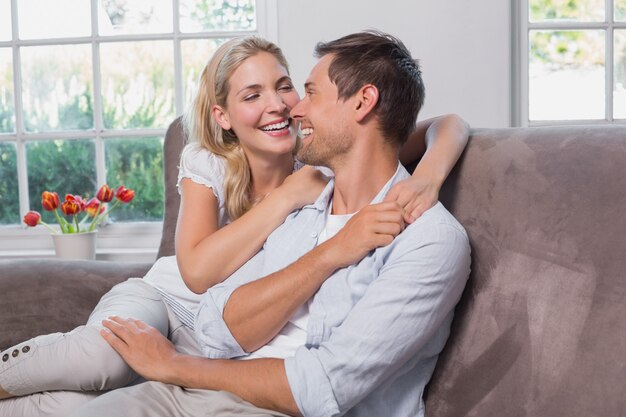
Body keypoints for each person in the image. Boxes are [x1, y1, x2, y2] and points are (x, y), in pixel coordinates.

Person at [0, 35, 468, 416]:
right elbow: (209, 305)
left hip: (220, 375)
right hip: (178, 313)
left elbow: (322, 386)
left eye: (301, 90)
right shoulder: (304, 190)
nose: (289, 108)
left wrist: (430, 175)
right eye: (253, 95)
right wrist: (308, 221)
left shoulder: (413, 229)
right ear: (222, 116)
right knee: (96, 362)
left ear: (363, 101)